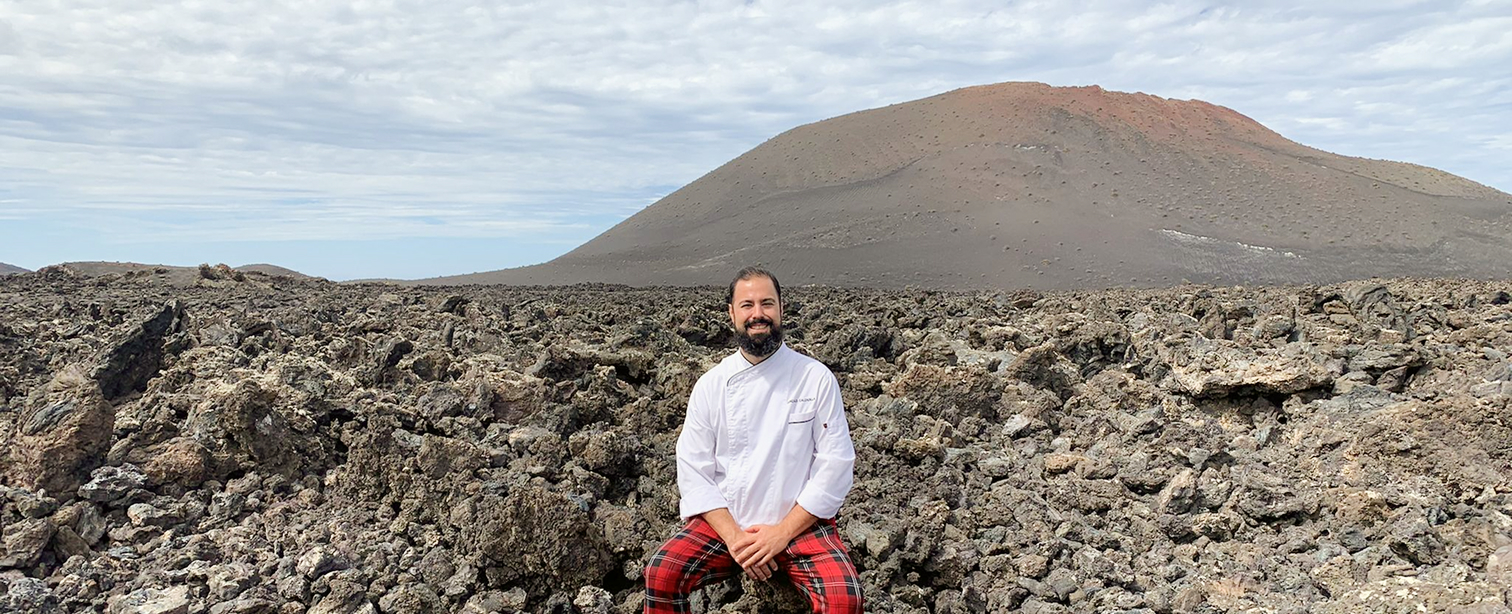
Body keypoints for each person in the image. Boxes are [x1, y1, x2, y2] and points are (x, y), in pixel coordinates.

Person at [643, 267, 863, 614]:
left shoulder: (814, 378)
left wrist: (780, 533)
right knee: (662, 573)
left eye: (766, 304)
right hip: (727, 524)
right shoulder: (712, 386)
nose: (757, 314)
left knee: (843, 599)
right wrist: (736, 539)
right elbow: (693, 468)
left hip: (800, 525)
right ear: (731, 313)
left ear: (781, 309)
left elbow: (835, 466)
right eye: (747, 305)